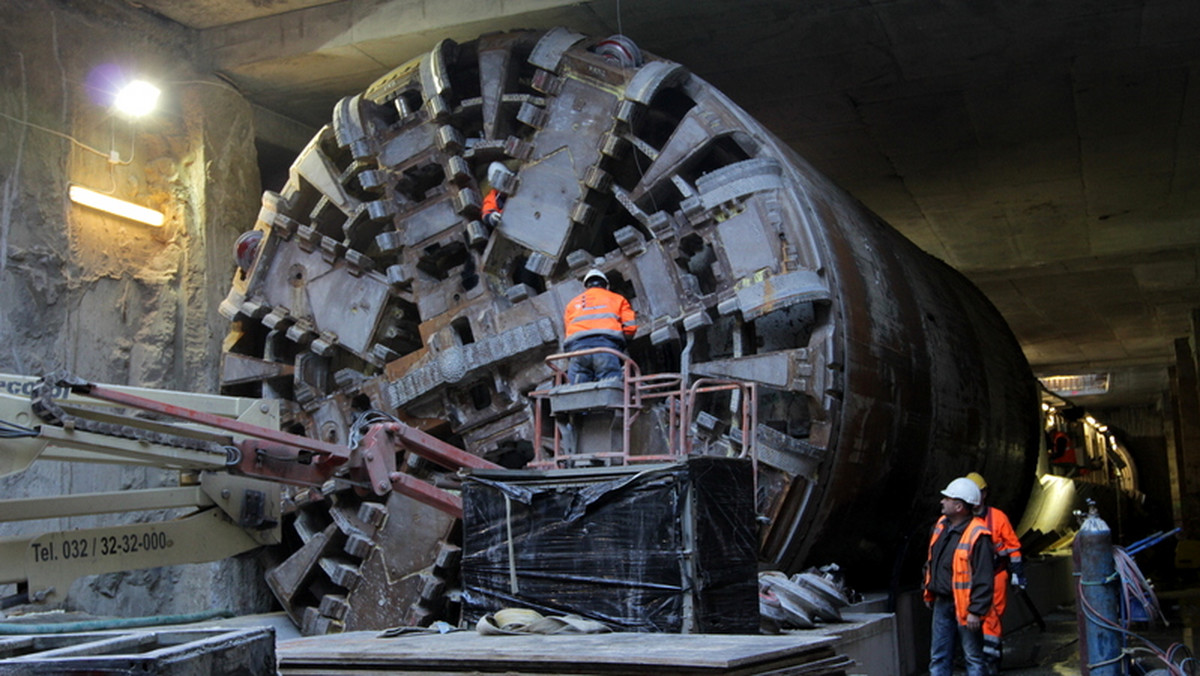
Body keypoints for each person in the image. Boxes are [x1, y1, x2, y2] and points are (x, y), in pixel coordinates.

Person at [924, 477, 995, 676]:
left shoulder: (978, 535)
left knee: (972, 657)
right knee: (939, 657)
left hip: (965, 608)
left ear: (958, 506)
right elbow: (932, 561)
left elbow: (984, 577)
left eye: (946, 498)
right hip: (942, 602)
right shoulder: (940, 526)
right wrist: (930, 591)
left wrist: (975, 610)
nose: (941, 501)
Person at [967, 471, 1025, 673]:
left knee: (992, 618)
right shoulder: (960, 519)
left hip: (996, 575)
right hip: (969, 578)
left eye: (978, 493)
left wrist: (1018, 574)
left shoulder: (998, 518)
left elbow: (1013, 548)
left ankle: (991, 662)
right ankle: (978, 658)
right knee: (970, 620)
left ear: (984, 494)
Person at [562, 269, 637, 384]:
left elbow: (568, 330)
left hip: (577, 351)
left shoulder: (572, 304)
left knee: (577, 390)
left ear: (586, 286)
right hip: (606, 348)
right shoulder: (617, 299)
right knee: (610, 386)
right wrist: (624, 343)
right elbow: (630, 327)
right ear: (606, 285)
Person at [482, 162, 509, 228]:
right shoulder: (492, 198)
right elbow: (486, 214)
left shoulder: (519, 182)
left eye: (505, 182)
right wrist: (492, 218)